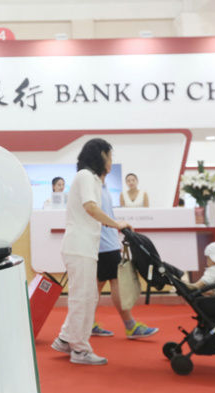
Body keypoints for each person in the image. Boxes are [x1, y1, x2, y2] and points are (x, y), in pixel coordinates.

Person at [51, 138, 131, 366]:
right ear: (100, 155)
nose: (111, 160)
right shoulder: (85, 176)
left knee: (87, 296)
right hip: (79, 246)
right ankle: (80, 350)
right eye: (110, 155)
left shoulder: (93, 180)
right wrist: (117, 224)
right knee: (83, 298)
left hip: (84, 247)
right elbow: (91, 208)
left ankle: (66, 339)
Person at [91, 171, 159, 339]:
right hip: (104, 244)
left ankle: (88, 323)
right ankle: (130, 326)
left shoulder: (103, 186)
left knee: (98, 285)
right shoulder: (94, 186)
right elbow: (93, 212)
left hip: (107, 242)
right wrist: (116, 227)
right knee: (115, 281)